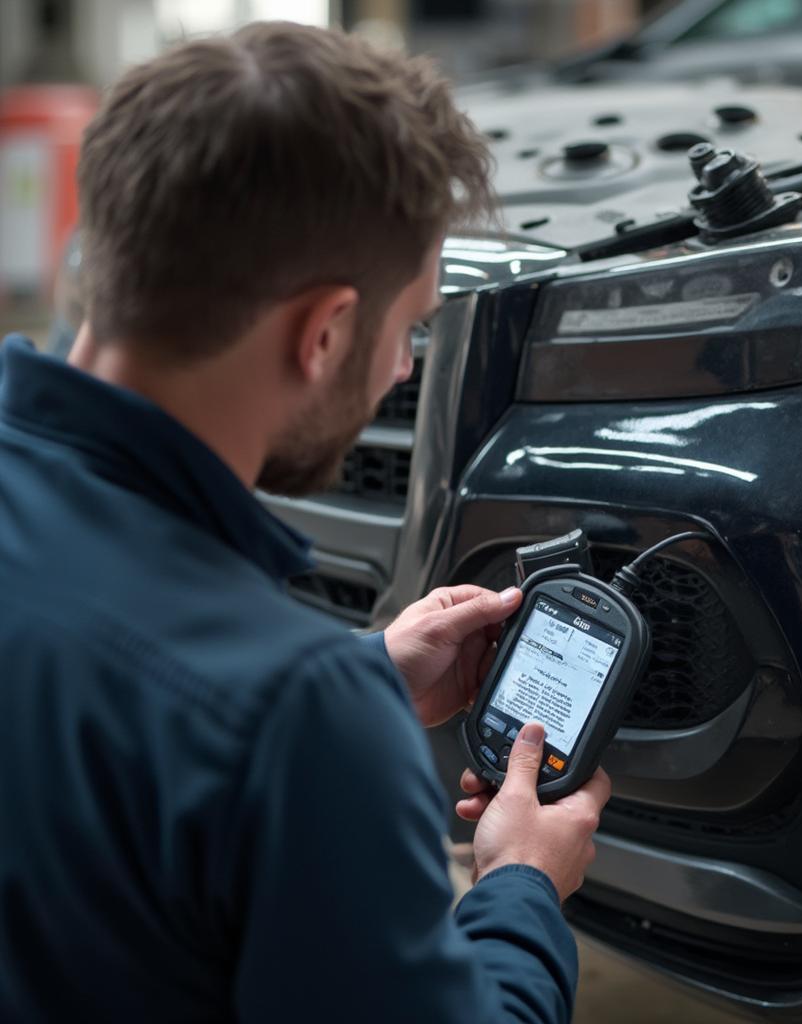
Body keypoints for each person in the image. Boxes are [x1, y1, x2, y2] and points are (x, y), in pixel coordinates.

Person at [0, 22, 609, 1024]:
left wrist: (361, 676)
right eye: (409, 327)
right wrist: (519, 886)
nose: (405, 366)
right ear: (324, 333)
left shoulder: (281, 707)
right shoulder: (295, 717)